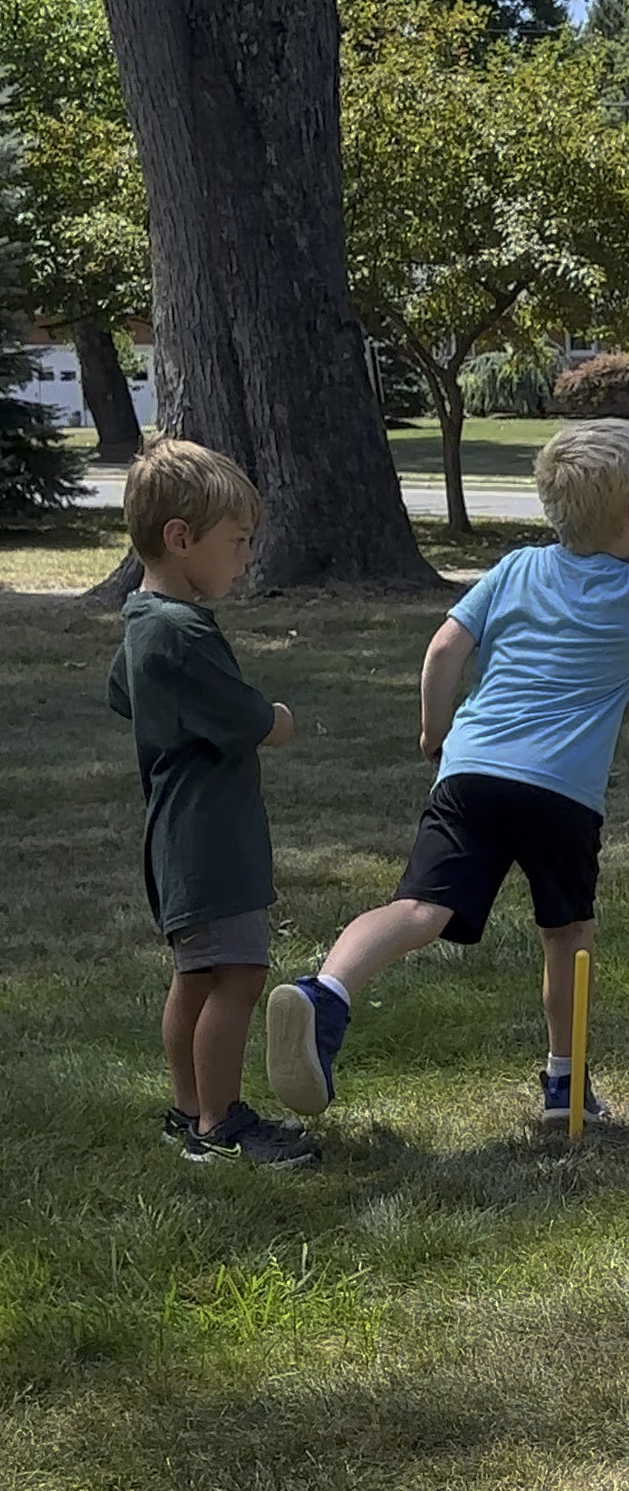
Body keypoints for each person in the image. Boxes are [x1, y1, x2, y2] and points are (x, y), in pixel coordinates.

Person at [266, 383, 629, 1125]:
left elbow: (442, 650)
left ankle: (325, 994)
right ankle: (566, 1085)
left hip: (471, 772)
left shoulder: (516, 569)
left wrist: (437, 734)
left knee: (420, 907)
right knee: (567, 935)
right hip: (563, 794)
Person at [107, 439, 322, 1166]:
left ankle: (190, 1107)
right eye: (236, 543)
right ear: (179, 538)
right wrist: (280, 716)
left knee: (197, 975)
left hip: (178, 835)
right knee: (239, 975)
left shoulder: (141, 621)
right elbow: (255, 720)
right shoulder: (182, 631)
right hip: (209, 840)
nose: (245, 558)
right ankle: (219, 1123)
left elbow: (119, 694)